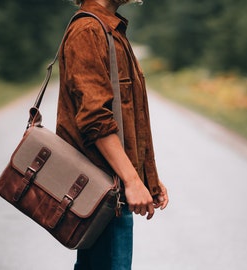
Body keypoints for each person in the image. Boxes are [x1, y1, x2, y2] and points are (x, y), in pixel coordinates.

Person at [56, 0, 169, 269]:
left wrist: (147, 178)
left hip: (111, 191)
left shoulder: (110, 30)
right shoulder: (88, 31)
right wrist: (131, 181)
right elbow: (96, 119)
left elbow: (126, 115)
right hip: (101, 192)